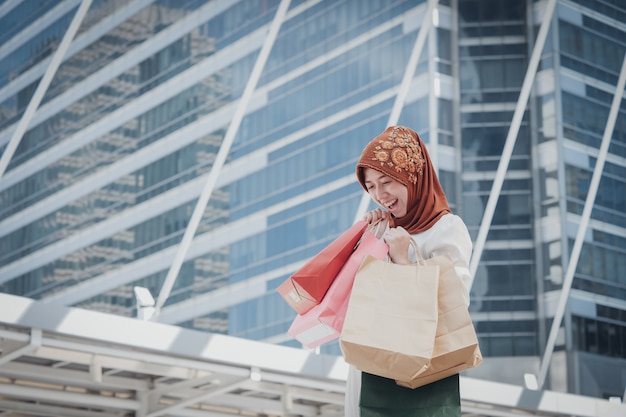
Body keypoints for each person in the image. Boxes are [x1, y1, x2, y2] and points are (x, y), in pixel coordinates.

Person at [345, 125, 473, 417]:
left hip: (416, 373)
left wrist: (403, 260)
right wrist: (368, 240)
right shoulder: (383, 229)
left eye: (386, 180)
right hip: (369, 364)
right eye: (371, 186)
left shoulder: (447, 229)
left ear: (412, 174)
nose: (380, 194)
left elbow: (455, 306)